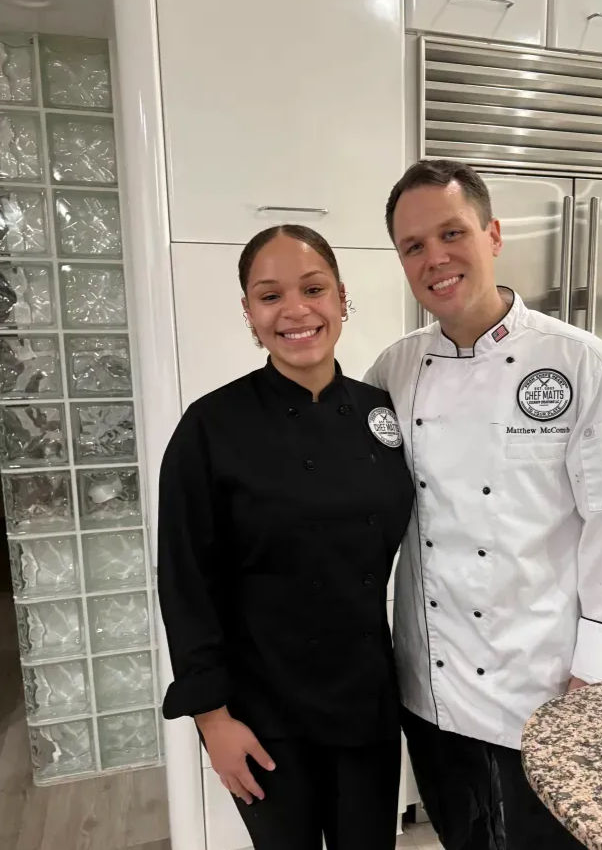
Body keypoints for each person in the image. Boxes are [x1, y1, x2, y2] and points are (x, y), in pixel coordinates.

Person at [365, 160, 602, 850]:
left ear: (492, 234)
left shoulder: (579, 362)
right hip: (429, 690)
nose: (434, 258)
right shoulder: (393, 370)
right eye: (412, 246)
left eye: (451, 232)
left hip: (542, 687)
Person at [157, 225, 415, 850]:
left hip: (365, 696)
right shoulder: (211, 427)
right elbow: (185, 581)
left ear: (342, 298)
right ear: (249, 313)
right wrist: (212, 721)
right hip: (260, 712)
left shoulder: (382, 413)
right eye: (269, 296)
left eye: (314, 288)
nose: (296, 310)